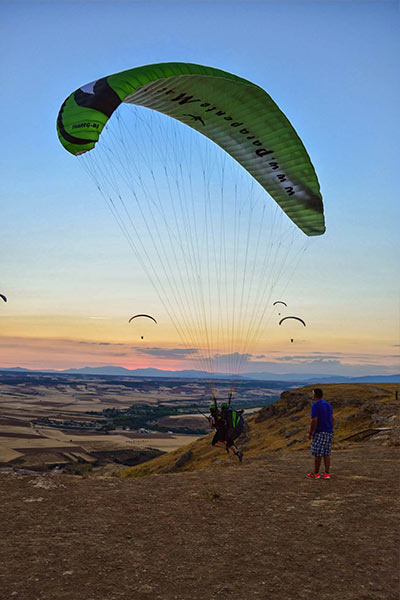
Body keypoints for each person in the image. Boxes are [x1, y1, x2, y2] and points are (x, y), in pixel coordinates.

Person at [307, 388, 334, 479]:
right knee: (326, 453)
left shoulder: (315, 405)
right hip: (329, 431)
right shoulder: (328, 405)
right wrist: (331, 428)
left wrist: (311, 432)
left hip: (320, 432)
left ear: (315, 395)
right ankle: (326, 473)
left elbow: (314, 420)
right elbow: (332, 418)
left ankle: (316, 473)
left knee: (318, 453)